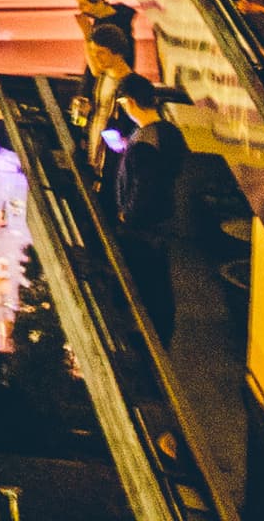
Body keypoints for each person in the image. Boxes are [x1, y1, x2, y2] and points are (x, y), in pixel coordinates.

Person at [108, 78, 187, 346]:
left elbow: (143, 184)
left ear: (129, 102)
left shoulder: (144, 141)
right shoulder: (168, 132)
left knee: (144, 286)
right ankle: (161, 334)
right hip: (162, 223)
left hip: (141, 229)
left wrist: (127, 214)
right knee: (159, 283)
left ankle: (151, 339)